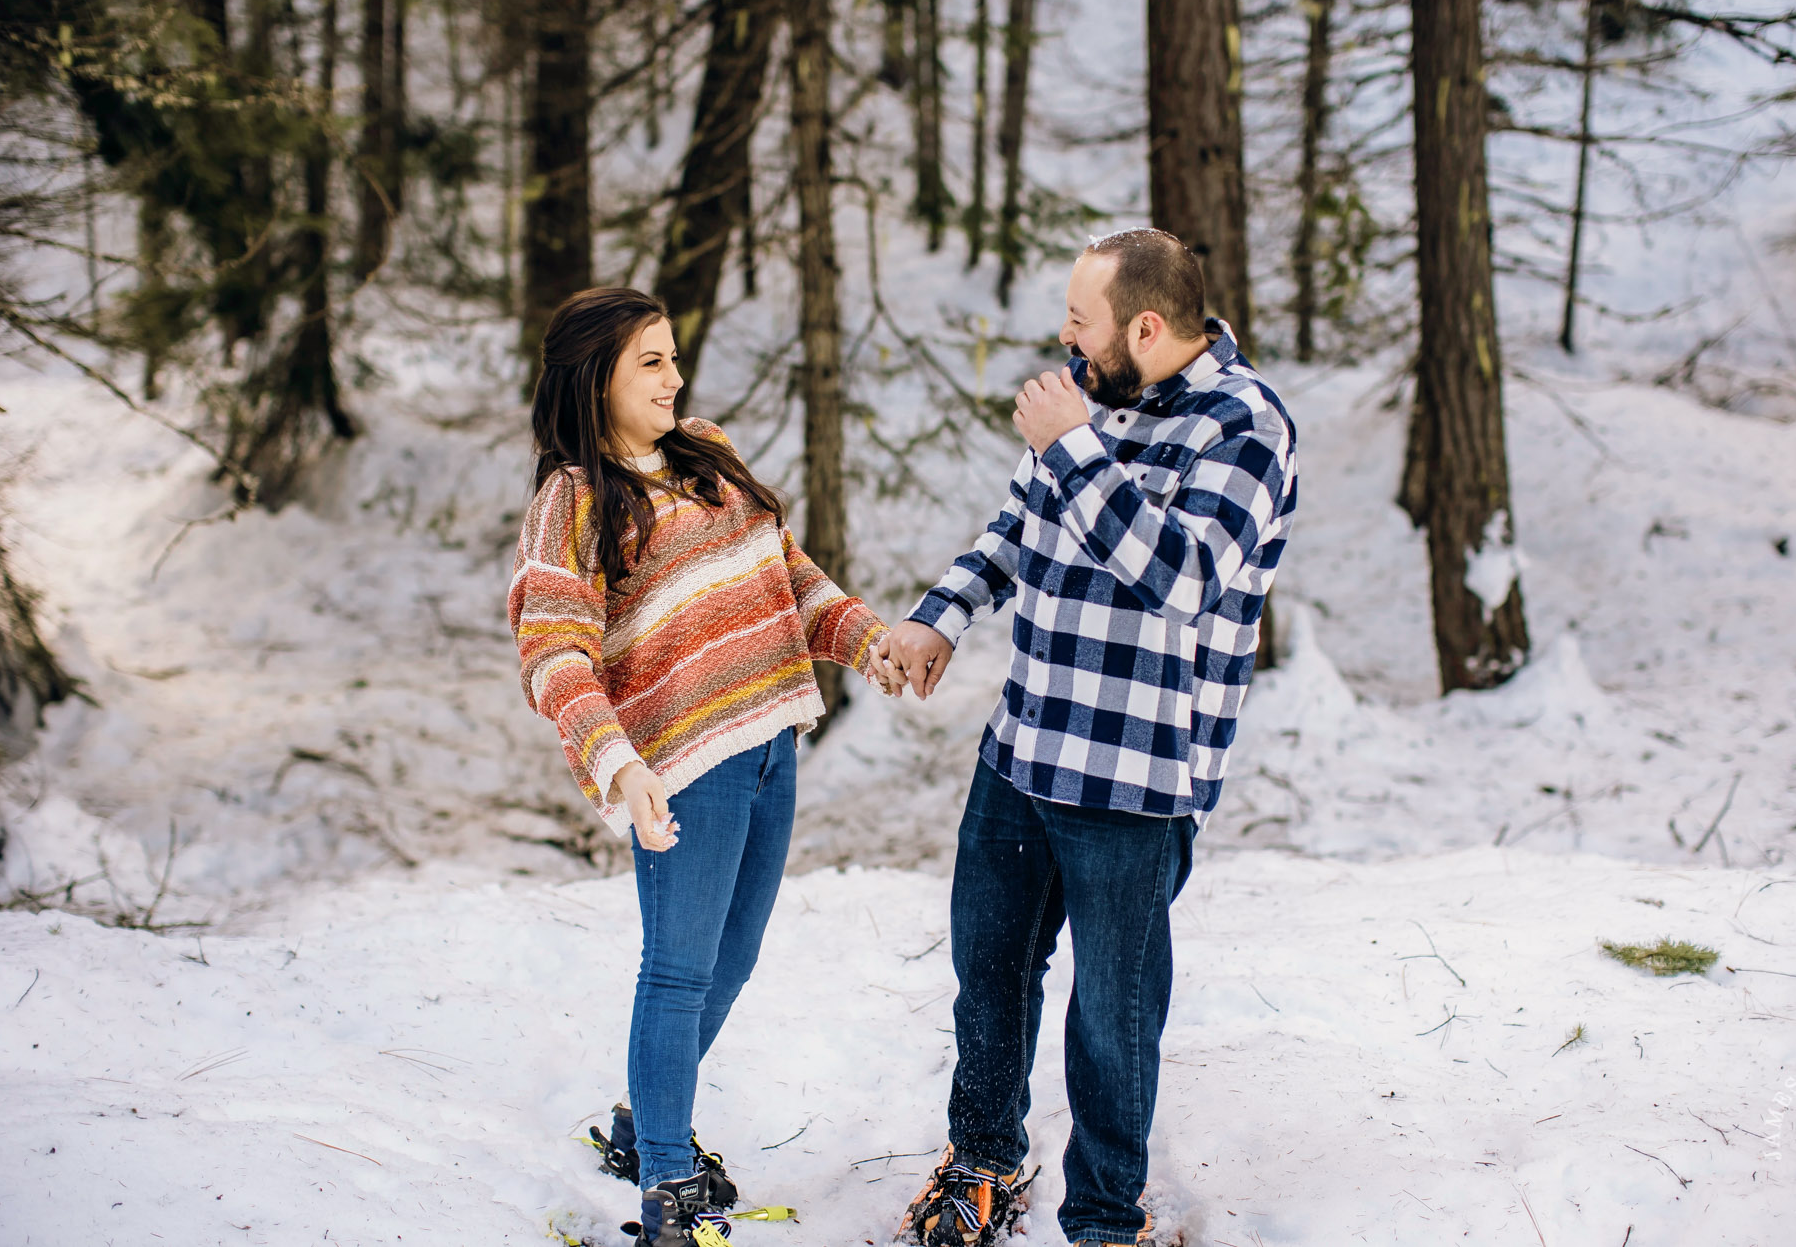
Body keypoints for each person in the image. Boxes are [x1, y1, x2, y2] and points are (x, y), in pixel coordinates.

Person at [883, 230, 1298, 1247]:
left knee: (1110, 1015)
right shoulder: (1086, 393)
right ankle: (981, 1161)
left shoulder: (1244, 427)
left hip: (1134, 774)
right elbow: (1017, 524)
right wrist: (940, 613)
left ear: (1145, 327)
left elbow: (1183, 580)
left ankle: (1106, 1219)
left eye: (1082, 319)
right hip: (1024, 745)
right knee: (989, 970)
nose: (1065, 336)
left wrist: (1073, 447)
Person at [508, 287, 907, 1247]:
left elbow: (789, 573)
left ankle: (644, 1126)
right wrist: (619, 765)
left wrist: (869, 640)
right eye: (650, 361)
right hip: (685, 763)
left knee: (734, 957)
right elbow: (555, 652)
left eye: (674, 356)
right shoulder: (573, 497)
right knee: (679, 970)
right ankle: (667, 1191)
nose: (674, 377)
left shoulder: (707, 449)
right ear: (594, 376)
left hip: (772, 736)